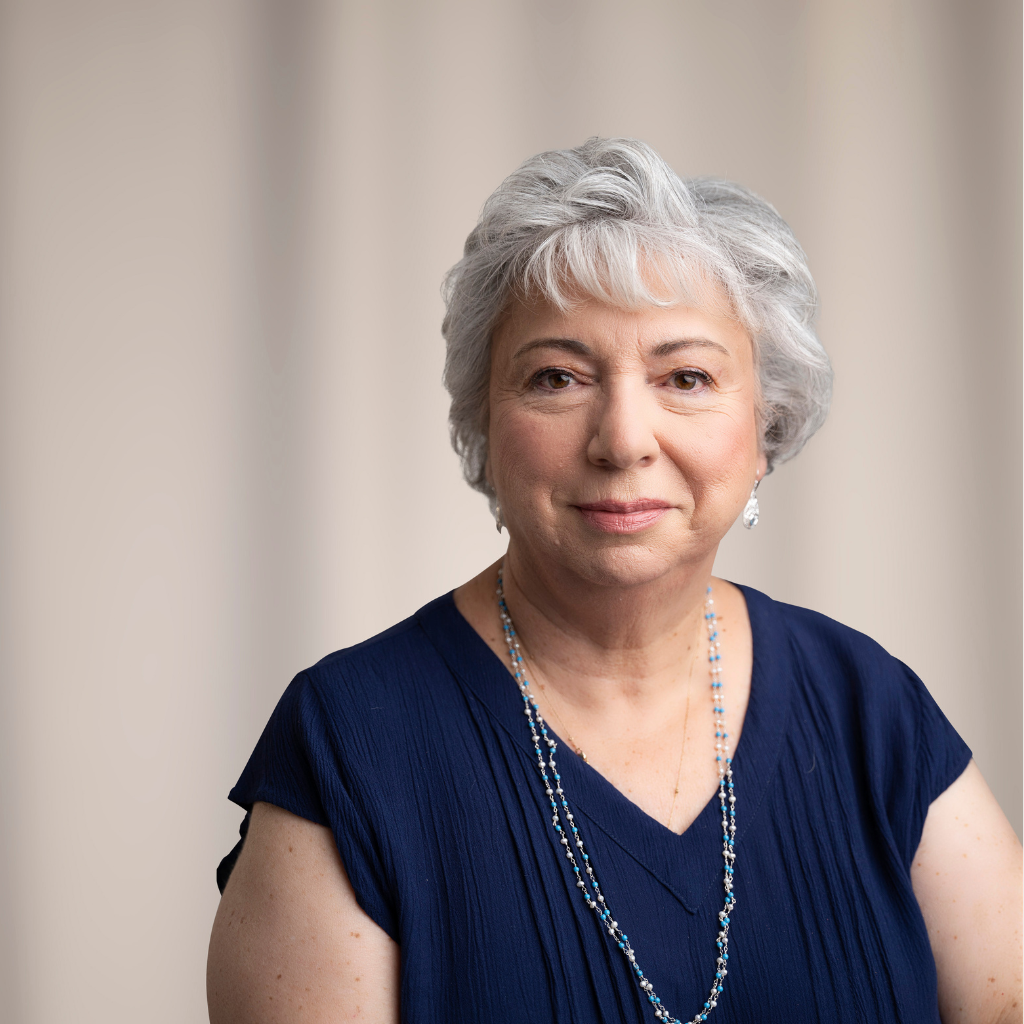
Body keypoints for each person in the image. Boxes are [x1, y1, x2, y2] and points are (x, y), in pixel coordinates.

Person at [206, 138, 1022, 1024]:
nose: (624, 438)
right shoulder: (351, 742)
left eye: (687, 377)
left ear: (766, 423)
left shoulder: (872, 711)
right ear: (487, 421)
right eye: (557, 376)